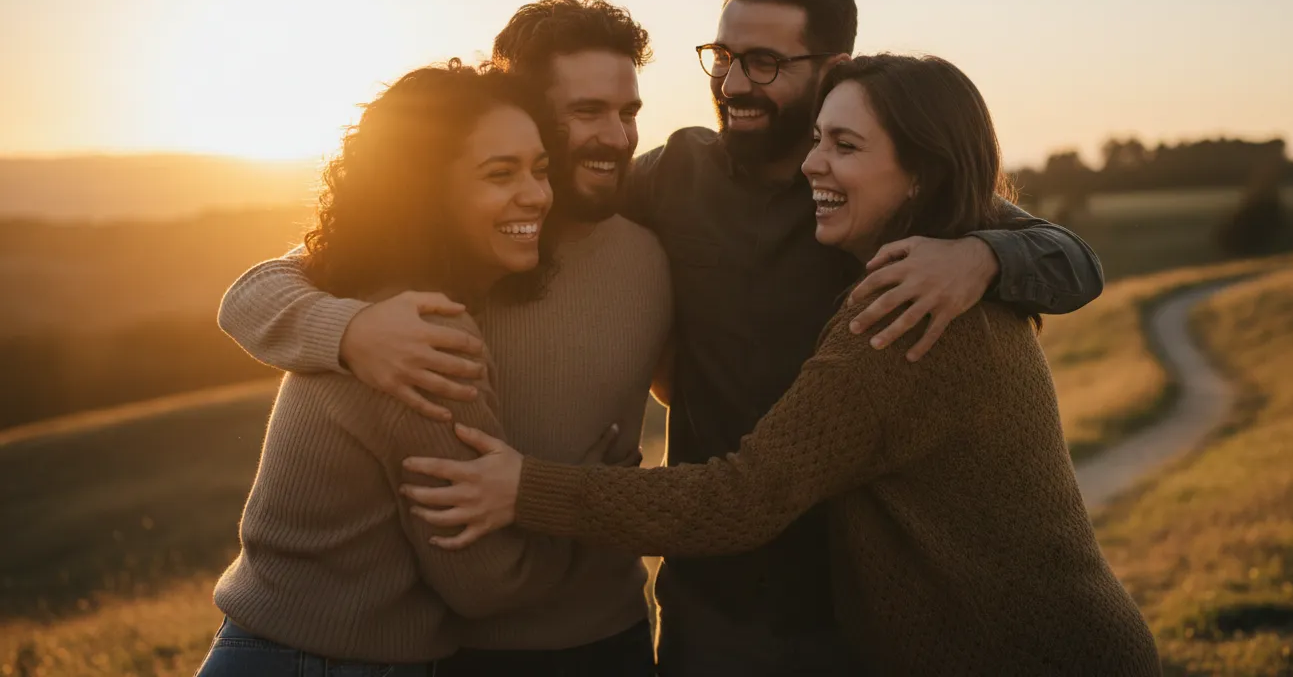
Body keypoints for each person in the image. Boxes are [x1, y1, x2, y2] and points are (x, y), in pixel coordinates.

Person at [221, 0, 1104, 675]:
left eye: (766, 63)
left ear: (830, 70)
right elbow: (268, 286)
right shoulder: (662, 186)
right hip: (703, 606)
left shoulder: (857, 193)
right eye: (723, 57)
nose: (735, 82)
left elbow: (1070, 258)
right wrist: (349, 331)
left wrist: (986, 256)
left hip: (843, 597)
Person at [399, 54, 1163, 676]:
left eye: (845, 147)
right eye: (819, 139)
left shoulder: (906, 314)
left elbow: (739, 500)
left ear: (921, 175)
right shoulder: (920, 272)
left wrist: (525, 487)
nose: (812, 165)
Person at [215, 0, 671, 674]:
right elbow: (249, 295)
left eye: (628, 112)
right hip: (455, 651)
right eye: (586, 112)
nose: (617, 136)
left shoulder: (650, 240)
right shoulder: (426, 286)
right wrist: (351, 331)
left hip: (605, 635)